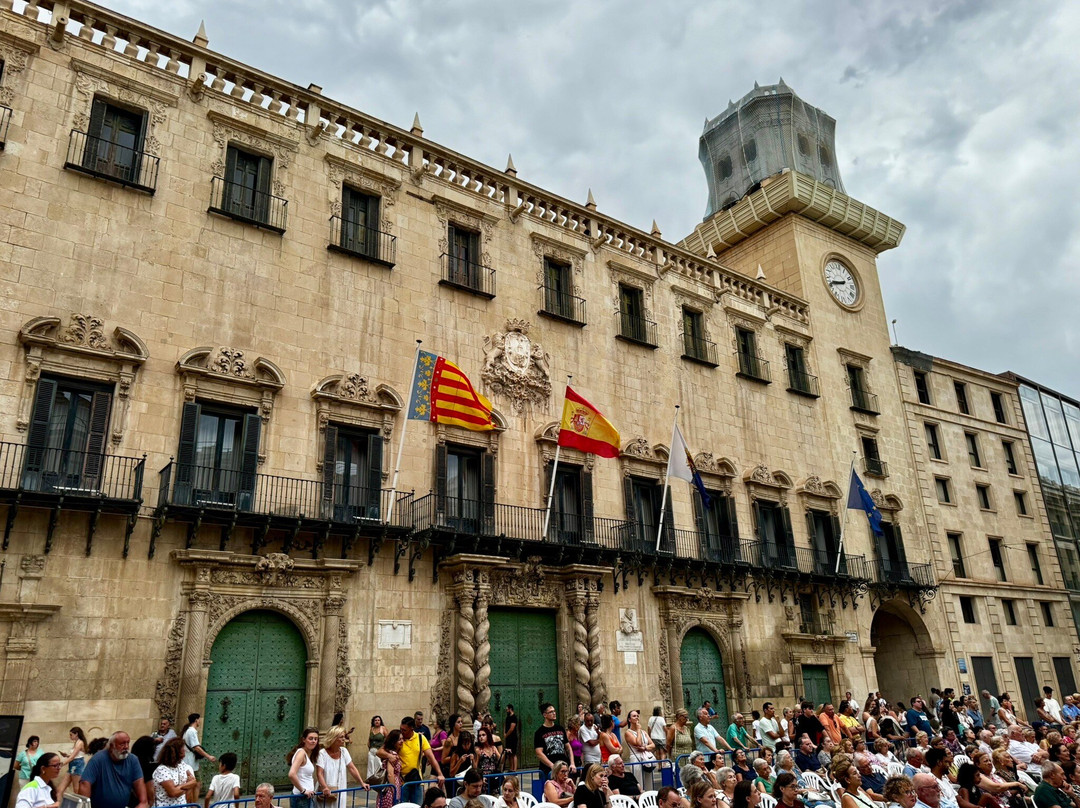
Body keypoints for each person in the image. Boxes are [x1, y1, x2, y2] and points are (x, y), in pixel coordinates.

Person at [78, 732, 148, 808]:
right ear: (111, 746)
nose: (126, 747)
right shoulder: (98, 759)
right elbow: (84, 783)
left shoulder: (133, 760)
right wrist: (85, 806)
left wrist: (142, 804)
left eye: (128, 743)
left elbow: (141, 792)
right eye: (122, 744)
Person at [318, 725, 369, 808]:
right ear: (333, 738)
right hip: (327, 789)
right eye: (341, 737)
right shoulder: (322, 753)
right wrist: (325, 788)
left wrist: (361, 782)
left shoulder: (344, 751)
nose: (344, 739)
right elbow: (319, 773)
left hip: (340, 788)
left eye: (344, 737)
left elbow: (352, 768)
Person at [396, 716, 445, 804]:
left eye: (404, 730)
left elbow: (431, 757)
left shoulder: (420, 738)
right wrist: (389, 755)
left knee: (418, 805)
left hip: (416, 780)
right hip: (401, 782)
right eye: (401, 729)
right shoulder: (398, 738)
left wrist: (440, 774)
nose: (402, 732)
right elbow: (381, 751)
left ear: (412, 729)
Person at [152, 737, 196, 808]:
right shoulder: (162, 770)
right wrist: (187, 785)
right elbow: (173, 793)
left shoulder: (181, 764)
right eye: (183, 748)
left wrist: (179, 787)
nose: (185, 750)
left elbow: (193, 781)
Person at [535, 703, 576, 777]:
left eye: (554, 711)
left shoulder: (560, 728)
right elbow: (539, 753)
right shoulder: (539, 732)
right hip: (548, 770)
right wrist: (552, 766)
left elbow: (568, 747)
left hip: (563, 766)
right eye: (551, 712)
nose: (554, 713)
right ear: (545, 715)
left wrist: (572, 763)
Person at [182, 713, 215, 802]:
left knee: (195, 784)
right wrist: (208, 756)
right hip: (190, 763)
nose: (199, 721)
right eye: (199, 719)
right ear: (196, 720)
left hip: (191, 762)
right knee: (195, 784)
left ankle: (192, 803)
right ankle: (192, 804)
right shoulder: (191, 731)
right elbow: (196, 747)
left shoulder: (188, 731)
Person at [288, 727, 321, 808]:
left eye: (315, 739)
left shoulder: (308, 754)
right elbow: (291, 774)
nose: (313, 741)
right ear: (304, 740)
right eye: (310, 738)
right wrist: (303, 790)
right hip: (301, 798)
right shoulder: (301, 753)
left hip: (307, 797)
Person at [57, 727, 87, 800]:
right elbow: (74, 756)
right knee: (60, 790)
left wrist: (62, 764)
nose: (70, 736)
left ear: (76, 734)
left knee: (76, 790)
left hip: (77, 766)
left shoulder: (80, 743)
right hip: (73, 765)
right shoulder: (76, 742)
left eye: (71, 735)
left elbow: (72, 757)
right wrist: (66, 755)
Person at [375, 730, 403, 808]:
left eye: (402, 739)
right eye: (399, 739)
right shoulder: (392, 755)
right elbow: (390, 774)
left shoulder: (390, 753)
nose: (402, 741)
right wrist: (394, 791)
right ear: (393, 742)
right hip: (390, 788)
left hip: (390, 786)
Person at [625, 709, 656, 776]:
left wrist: (645, 748)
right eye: (634, 716)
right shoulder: (628, 733)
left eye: (637, 716)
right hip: (636, 759)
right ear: (629, 720)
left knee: (649, 782)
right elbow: (638, 743)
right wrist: (638, 729)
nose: (637, 717)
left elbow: (653, 745)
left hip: (647, 758)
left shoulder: (643, 732)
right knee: (640, 780)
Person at [504, 705, 520, 772]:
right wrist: (504, 733)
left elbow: (512, 728)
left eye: (507, 709)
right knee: (509, 753)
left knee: (513, 753)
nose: (506, 710)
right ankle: (511, 768)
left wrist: (506, 734)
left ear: (510, 709)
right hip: (508, 738)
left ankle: (515, 769)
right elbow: (505, 725)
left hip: (513, 737)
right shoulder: (507, 717)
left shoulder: (514, 717)